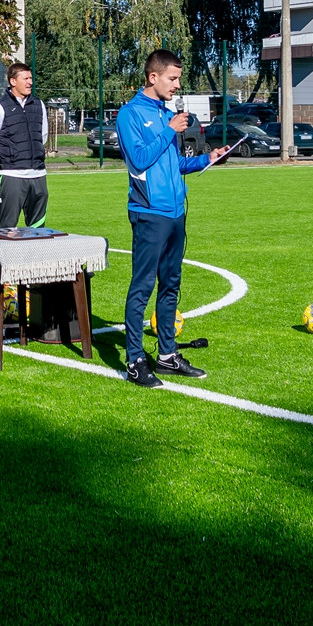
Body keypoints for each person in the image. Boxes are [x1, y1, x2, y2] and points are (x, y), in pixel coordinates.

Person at [118, 49, 230, 388]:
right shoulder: (130, 114)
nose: (177, 85)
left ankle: (167, 355)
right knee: (142, 287)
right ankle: (135, 359)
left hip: (176, 213)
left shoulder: (165, 113)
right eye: (173, 78)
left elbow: (172, 165)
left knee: (171, 285)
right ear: (153, 77)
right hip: (149, 214)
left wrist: (206, 159)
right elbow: (138, 160)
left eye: (178, 78)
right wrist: (168, 130)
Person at [0, 61, 52, 228]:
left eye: (31, 78)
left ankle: (35, 255)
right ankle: (2, 255)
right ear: (13, 81)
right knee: (7, 229)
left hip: (38, 176)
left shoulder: (38, 104)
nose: (30, 82)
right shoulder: (0, 107)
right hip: (13, 177)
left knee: (37, 229)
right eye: (26, 78)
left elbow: (42, 136)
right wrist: (11, 155)